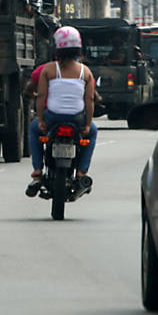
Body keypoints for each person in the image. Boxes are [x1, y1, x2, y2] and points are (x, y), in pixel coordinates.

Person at [26, 26, 98, 196]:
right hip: (77, 119)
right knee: (93, 133)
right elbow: (89, 100)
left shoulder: (49, 69)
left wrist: (42, 121)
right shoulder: (85, 72)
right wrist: (87, 124)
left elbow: (41, 96)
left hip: (53, 117)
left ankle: (37, 169)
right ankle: (81, 172)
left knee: (33, 129)